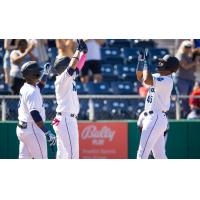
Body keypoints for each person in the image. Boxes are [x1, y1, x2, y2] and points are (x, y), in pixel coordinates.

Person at [136, 49, 180, 159]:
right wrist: (141, 61)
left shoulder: (167, 80)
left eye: (163, 63)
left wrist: (146, 63)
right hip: (154, 118)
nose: (160, 64)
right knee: (160, 156)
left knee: (141, 154)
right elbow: (140, 77)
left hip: (155, 117)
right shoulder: (159, 76)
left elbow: (147, 79)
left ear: (169, 68)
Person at [52, 39, 88, 159]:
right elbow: (73, 66)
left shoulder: (67, 78)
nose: (71, 64)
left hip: (64, 119)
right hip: (66, 119)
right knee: (72, 156)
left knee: (62, 155)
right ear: (63, 67)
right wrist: (78, 50)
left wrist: (84, 53)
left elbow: (77, 67)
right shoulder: (62, 79)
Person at [16, 61, 56, 159]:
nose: (39, 73)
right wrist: (46, 131)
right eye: (37, 72)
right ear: (32, 74)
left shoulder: (26, 87)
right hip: (32, 129)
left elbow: (40, 86)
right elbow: (34, 114)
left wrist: (45, 74)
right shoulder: (31, 91)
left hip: (22, 130)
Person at [175, 40, 196, 117]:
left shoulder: (190, 56)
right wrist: (195, 62)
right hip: (182, 80)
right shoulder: (180, 55)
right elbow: (185, 66)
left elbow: (193, 69)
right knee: (183, 98)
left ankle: (189, 114)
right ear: (183, 47)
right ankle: (183, 115)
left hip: (191, 80)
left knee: (190, 99)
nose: (188, 48)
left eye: (189, 47)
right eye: (186, 46)